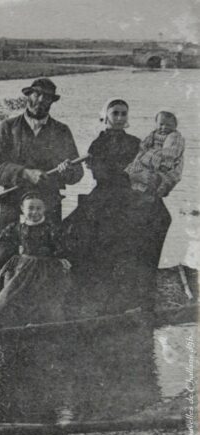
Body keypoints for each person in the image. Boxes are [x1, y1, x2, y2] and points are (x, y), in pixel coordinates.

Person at [63, 99, 173, 315]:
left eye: (124, 114)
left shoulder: (136, 143)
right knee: (76, 230)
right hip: (107, 195)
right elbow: (102, 175)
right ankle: (89, 295)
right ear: (106, 116)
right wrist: (128, 171)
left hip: (132, 194)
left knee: (160, 217)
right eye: (116, 114)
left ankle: (140, 294)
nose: (120, 118)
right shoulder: (98, 144)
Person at [0, 78, 83, 277]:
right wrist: (25, 173)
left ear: (52, 102)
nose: (40, 100)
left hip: (48, 201)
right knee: (5, 255)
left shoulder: (62, 131)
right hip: (13, 199)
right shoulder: (8, 127)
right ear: (28, 95)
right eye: (36, 94)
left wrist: (67, 170)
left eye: (46, 97)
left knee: (48, 255)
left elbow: (77, 174)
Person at [0, 194, 71, 329]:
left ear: (44, 209)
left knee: (44, 296)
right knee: (10, 294)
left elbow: (60, 245)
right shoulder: (17, 228)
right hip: (23, 266)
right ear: (22, 209)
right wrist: (11, 260)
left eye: (39, 208)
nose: (34, 212)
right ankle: (4, 324)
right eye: (30, 208)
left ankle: (40, 324)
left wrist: (60, 259)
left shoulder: (50, 228)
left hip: (44, 268)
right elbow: (5, 242)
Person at [125, 110, 185, 198]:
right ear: (156, 124)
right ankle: (138, 188)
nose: (164, 127)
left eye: (168, 125)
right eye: (161, 124)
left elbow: (171, 153)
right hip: (148, 159)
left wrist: (165, 165)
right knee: (134, 171)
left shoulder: (174, 136)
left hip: (161, 161)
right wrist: (140, 154)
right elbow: (145, 145)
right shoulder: (153, 133)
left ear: (175, 126)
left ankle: (154, 192)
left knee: (157, 179)